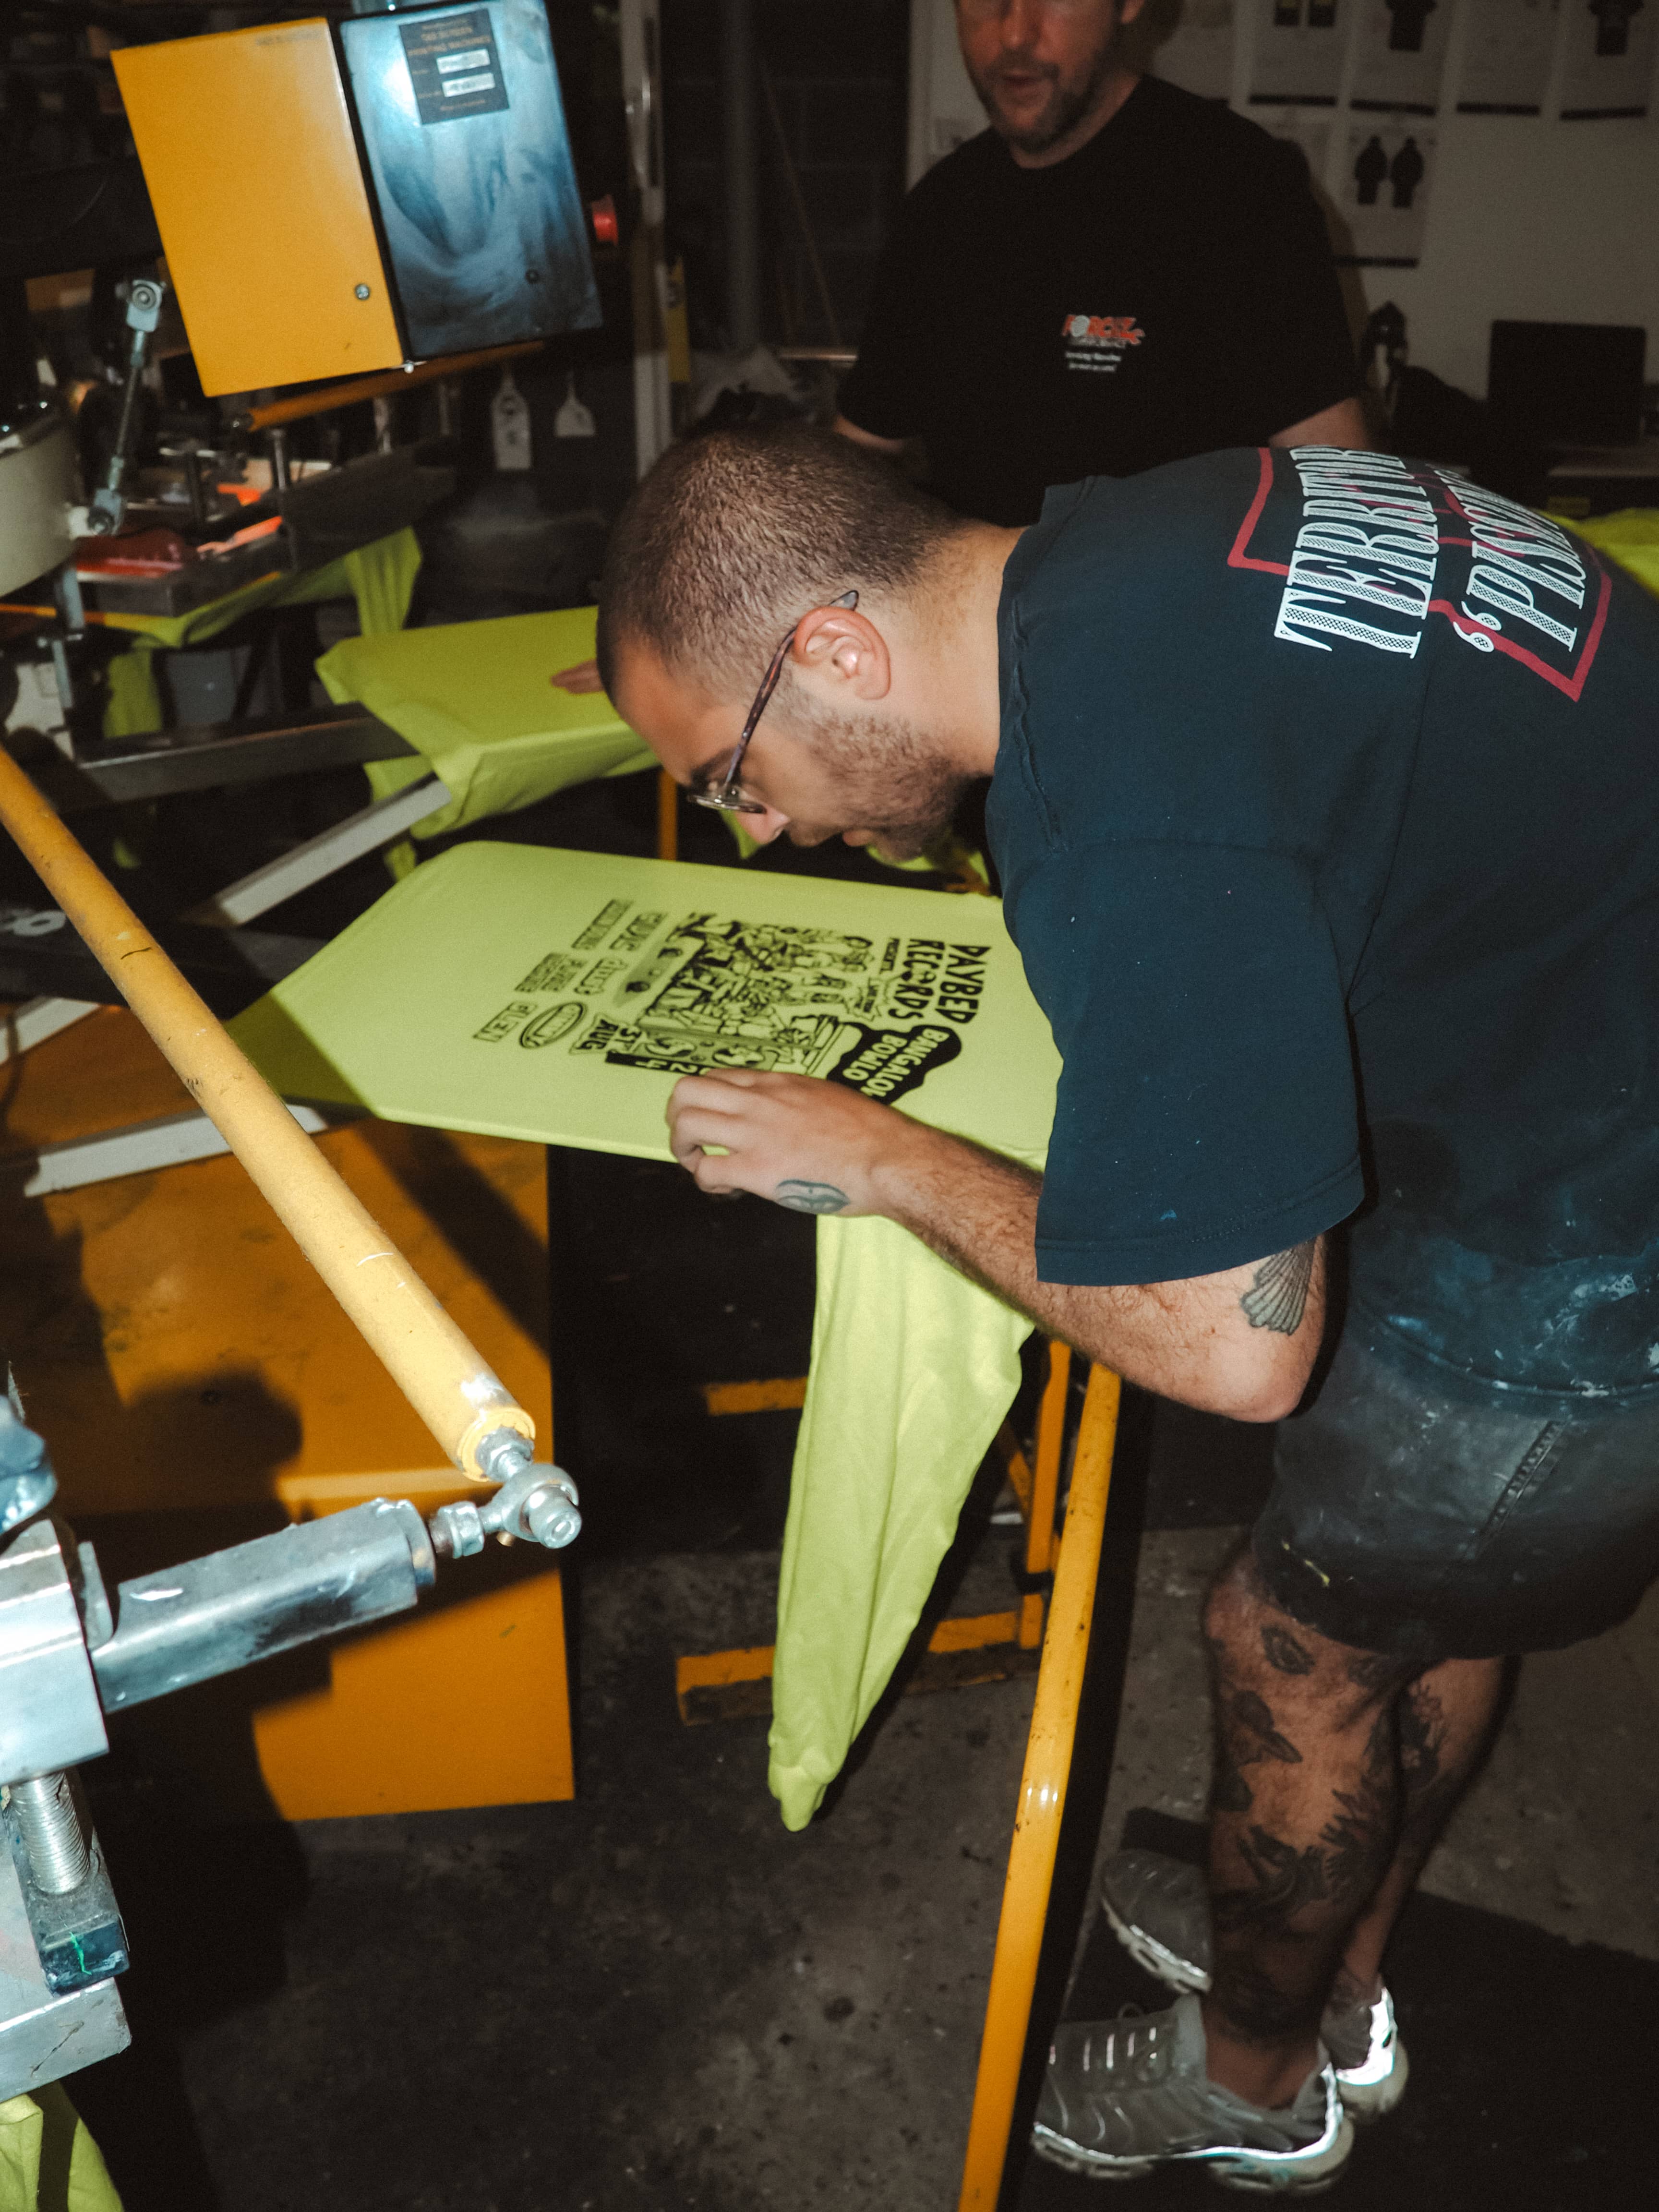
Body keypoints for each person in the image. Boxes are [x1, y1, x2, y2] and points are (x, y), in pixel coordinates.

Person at [593, 423, 1659, 2189]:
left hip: (1594, 1225)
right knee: (1429, 1601)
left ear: (837, 649)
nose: (762, 827)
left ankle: (1256, 2071)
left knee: (1294, 1643)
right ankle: (1330, 1960)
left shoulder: (1120, 800)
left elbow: (1227, 1347)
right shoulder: (1131, 538)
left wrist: (888, 1156)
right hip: (1562, 1059)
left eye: (732, 774)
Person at [834, 0, 1368, 526]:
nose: (1015, 33)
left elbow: (1340, 487)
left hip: (1175, 581)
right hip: (974, 578)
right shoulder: (938, 211)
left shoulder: (1239, 185)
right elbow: (860, 453)